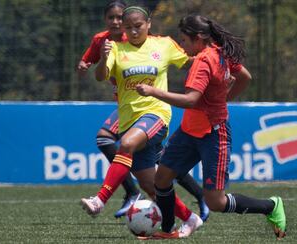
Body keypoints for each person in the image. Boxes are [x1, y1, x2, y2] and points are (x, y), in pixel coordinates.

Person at [136, 14, 286, 240]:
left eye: (184, 41)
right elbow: (245, 77)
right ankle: (167, 229)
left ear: (197, 38)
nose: (183, 47)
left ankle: (270, 206)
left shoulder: (203, 60)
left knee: (215, 202)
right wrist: (224, 98)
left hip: (214, 133)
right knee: (162, 179)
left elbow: (190, 100)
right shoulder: (220, 51)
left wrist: (153, 91)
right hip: (188, 131)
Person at [78, 1, 209, 221]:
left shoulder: (164, 45)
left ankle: (100, 199)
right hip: (130, 119)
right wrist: (102, 57)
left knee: (126, 143)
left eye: (138, 25)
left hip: (156, 114)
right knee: (152, 186)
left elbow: (190, 63)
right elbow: (100, 76)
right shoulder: (116, 48)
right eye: (129, 28)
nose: (133, 30)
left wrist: (216, 63)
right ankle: (190, 219)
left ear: (149, 23)